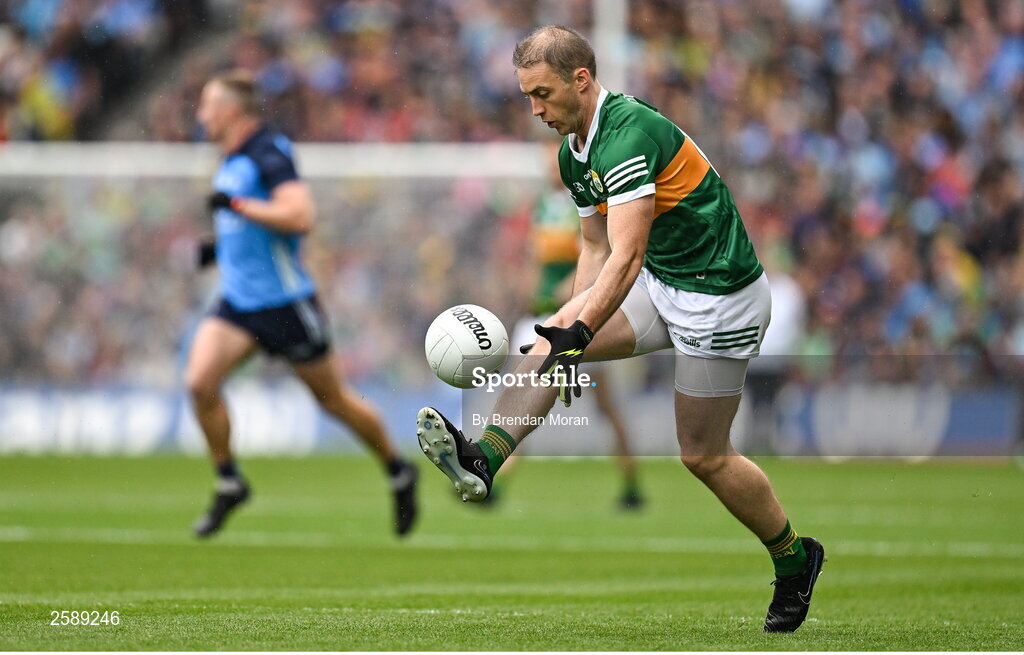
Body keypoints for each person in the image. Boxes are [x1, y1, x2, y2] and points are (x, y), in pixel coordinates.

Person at [416, 26, 823, 633]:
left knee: (703, 455)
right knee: (542, 341)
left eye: (543, 94)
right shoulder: (572, 148)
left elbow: (626, 255)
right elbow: (593, 243)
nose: (535, 110)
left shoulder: (627, 135)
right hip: (665, 286)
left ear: (582, 79)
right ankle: (483, 461)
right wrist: (569, 327)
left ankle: (795, 558)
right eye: (527, 96)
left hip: (720, 299)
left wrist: (580, 327)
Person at [188, 70, 417, 538]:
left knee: (333, 401)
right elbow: (248, 221)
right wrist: (221, 246)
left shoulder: (267, 152)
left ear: (231, 112)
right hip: (239, 304)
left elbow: (299, 215)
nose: (200, 115)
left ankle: (397, 468)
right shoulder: (230, 159)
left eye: (208, 105)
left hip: (285, 304)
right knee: (199, 382)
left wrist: (236, 209)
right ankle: (229, 480)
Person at [499, 139, 644, 510]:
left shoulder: (585, 204)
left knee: (605, 407)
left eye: (554, 163)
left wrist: (568, 296)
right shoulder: (542, 207)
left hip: (579, 318)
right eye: (546, 164)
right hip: (542, 317)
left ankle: (631, 482)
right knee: (519, 397)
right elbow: (535, 260)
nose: (551, 169)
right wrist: (527, 292)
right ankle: (494, 478)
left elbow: (599, 254)